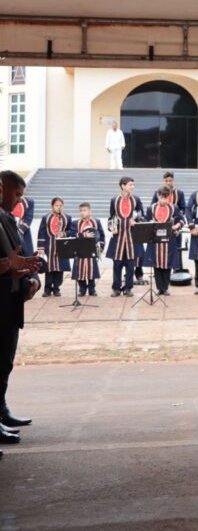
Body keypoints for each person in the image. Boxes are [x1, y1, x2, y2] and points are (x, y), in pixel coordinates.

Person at [0, 171, 43, 448]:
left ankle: (1, 413)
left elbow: (14, 256)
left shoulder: (6, 218)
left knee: (5, 363)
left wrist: (27, 275)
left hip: (11, 299)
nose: (18, 201)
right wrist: (9, 267)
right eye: (16, 194)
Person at [106, 176, 143, 298]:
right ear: (123, 186)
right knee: (117, 264)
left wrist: (136, 220)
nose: (133, 187)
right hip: (118, 239)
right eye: (130, 184)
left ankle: (128, 288)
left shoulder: (136, 199)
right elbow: (111, 217)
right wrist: (111, 227)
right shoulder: (114, 200)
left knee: (130, 265)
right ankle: (116, 288)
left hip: (132, 238)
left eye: (133, 185)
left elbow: (141, 215)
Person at [145, 188, 185, 296]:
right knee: (156, 264)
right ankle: (159, 288)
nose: (163, 200)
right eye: (161, 197)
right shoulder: (151, 208)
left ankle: (165, 287)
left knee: (167, 264)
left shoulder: (174, 207)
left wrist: (177, 225)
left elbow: (182, 220)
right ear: (158, 196)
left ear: (169, 197)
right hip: (155, 240)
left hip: (169, 240)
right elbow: (145, 220)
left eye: (165, 198)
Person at [36, 197, 71, 297]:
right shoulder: (45, 218)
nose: (59, 207)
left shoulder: (67, 218)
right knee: (49, 269)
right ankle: (47, 289)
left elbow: (70, 231)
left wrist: (64, 234)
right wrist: (41, 248)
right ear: (52, 206)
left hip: (62, 248)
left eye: (60, 205)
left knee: (60, 269)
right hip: (49, 248)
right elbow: (41, 233)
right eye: (56, 205)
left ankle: (56, 288)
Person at [71, 202, 104, 298]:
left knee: (91, 270)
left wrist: (101, 247)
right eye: (80, 211)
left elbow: (101, 235)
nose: (82, 213)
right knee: (79, 271)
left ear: (90, 211)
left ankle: (92, 289)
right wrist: (83, 235)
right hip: (79, 250)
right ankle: (82, 289)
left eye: (84, 210)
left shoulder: (96, 222)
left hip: (91, 250)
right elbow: (72, 234)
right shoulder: (75, 223)